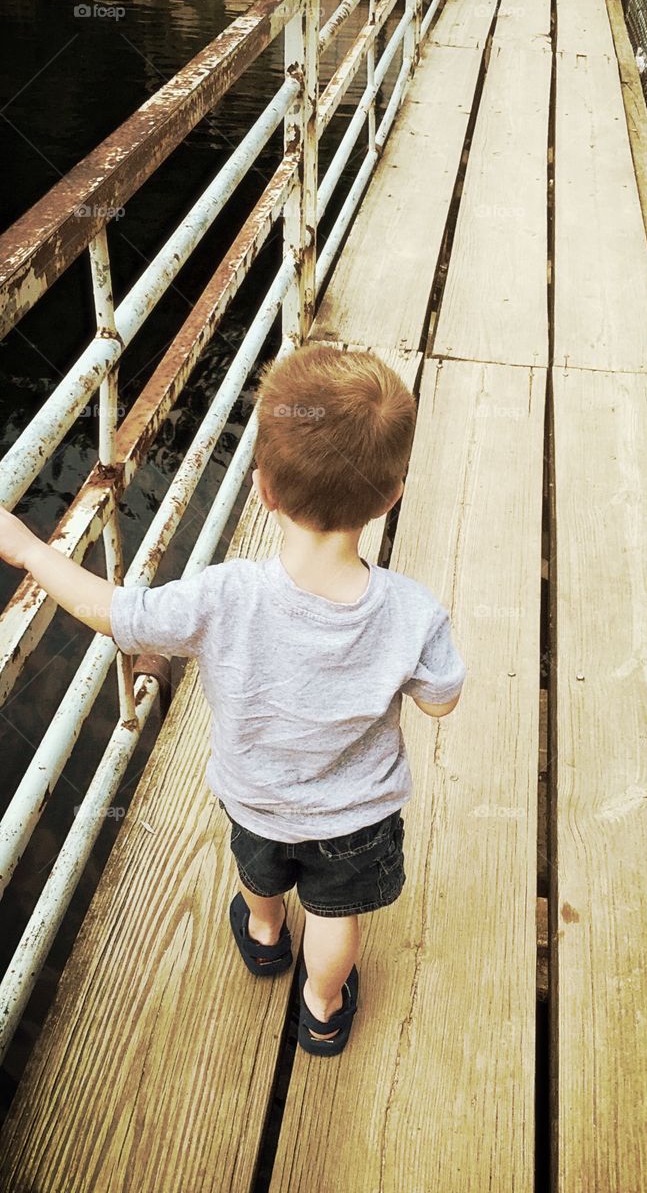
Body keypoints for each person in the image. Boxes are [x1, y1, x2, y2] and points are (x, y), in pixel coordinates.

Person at [0, 345, 465, 1057]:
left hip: (255, 801)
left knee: (259, 877)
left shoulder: (222, 597)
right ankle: (322, 1004)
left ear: (263, 491)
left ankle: (265, 934)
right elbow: (440, 702)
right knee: (337, 917)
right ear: (391, 494)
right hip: (356, 819)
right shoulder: (412, 611)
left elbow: (115, 612)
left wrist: (33, 551)